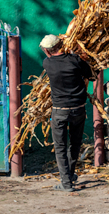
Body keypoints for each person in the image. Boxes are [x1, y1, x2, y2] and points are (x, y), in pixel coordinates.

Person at [40, 34, 95, 192]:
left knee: (60, 147)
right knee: (75, 143)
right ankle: (69, 176)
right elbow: (91, 75)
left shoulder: (47, 63)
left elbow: (57, 60)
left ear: (47, 51)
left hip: (60, 111)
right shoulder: (75, 60)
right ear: (61, 45)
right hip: (78, 109)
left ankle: (66, 183)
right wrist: (75, 54)